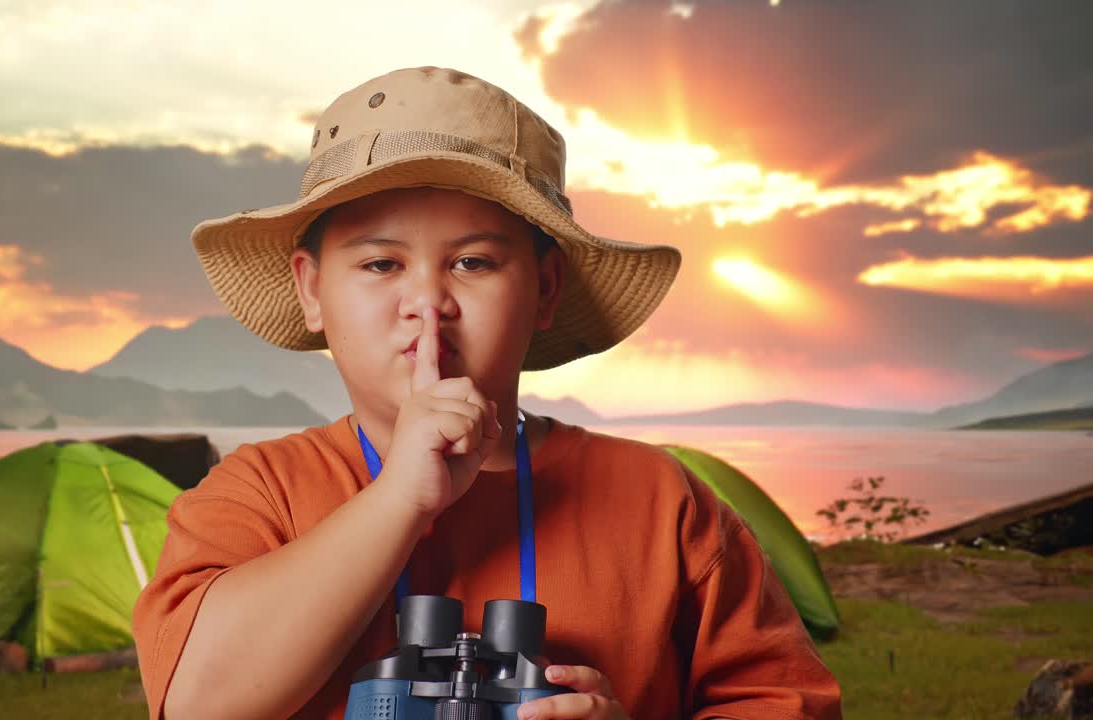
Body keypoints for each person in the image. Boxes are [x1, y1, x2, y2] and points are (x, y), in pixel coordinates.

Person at [131, 66, 843, 720]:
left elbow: (786, 703)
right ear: (312, 290)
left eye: (473, 262)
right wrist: (399, 498)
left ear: (545, 290)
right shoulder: (256, 495)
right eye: (380, 264)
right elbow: (197, 703)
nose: (427, 303)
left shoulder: (661, 503)